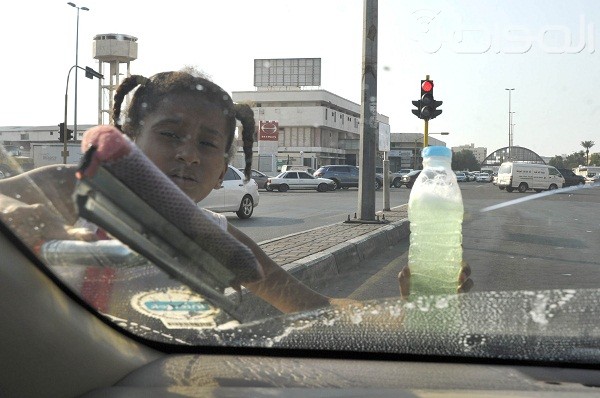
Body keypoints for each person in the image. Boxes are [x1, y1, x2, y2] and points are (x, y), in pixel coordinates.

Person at [0, 70, 349, 314]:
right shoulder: (72, 188)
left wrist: (398, 315)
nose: (189, 154)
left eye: (208, 143)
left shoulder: (218, 236)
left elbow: (312, 306)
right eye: (170, 134)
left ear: (222, 171)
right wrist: (14, 213)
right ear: (130, 140)